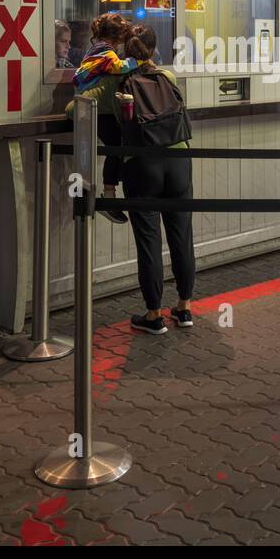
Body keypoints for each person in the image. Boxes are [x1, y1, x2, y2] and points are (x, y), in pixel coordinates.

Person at [68, 24, 195, 334]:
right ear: (153, 49)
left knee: (149, 241)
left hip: (142, 164)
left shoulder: (117, 83)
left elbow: (75, 109)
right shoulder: (167, 77)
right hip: (179, 162)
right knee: (182, 236)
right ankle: (184, 308)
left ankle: (154, 315)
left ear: (125, 51)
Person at [73, 13, 137, 223]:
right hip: (98, 109)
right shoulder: (106, 53)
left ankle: (111, 194)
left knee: (116, 147)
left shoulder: (95, 49)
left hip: (94, 109)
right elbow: (121, 67)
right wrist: (139, 59)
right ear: (118, 37)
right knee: (115, 147)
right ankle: (108, 195)